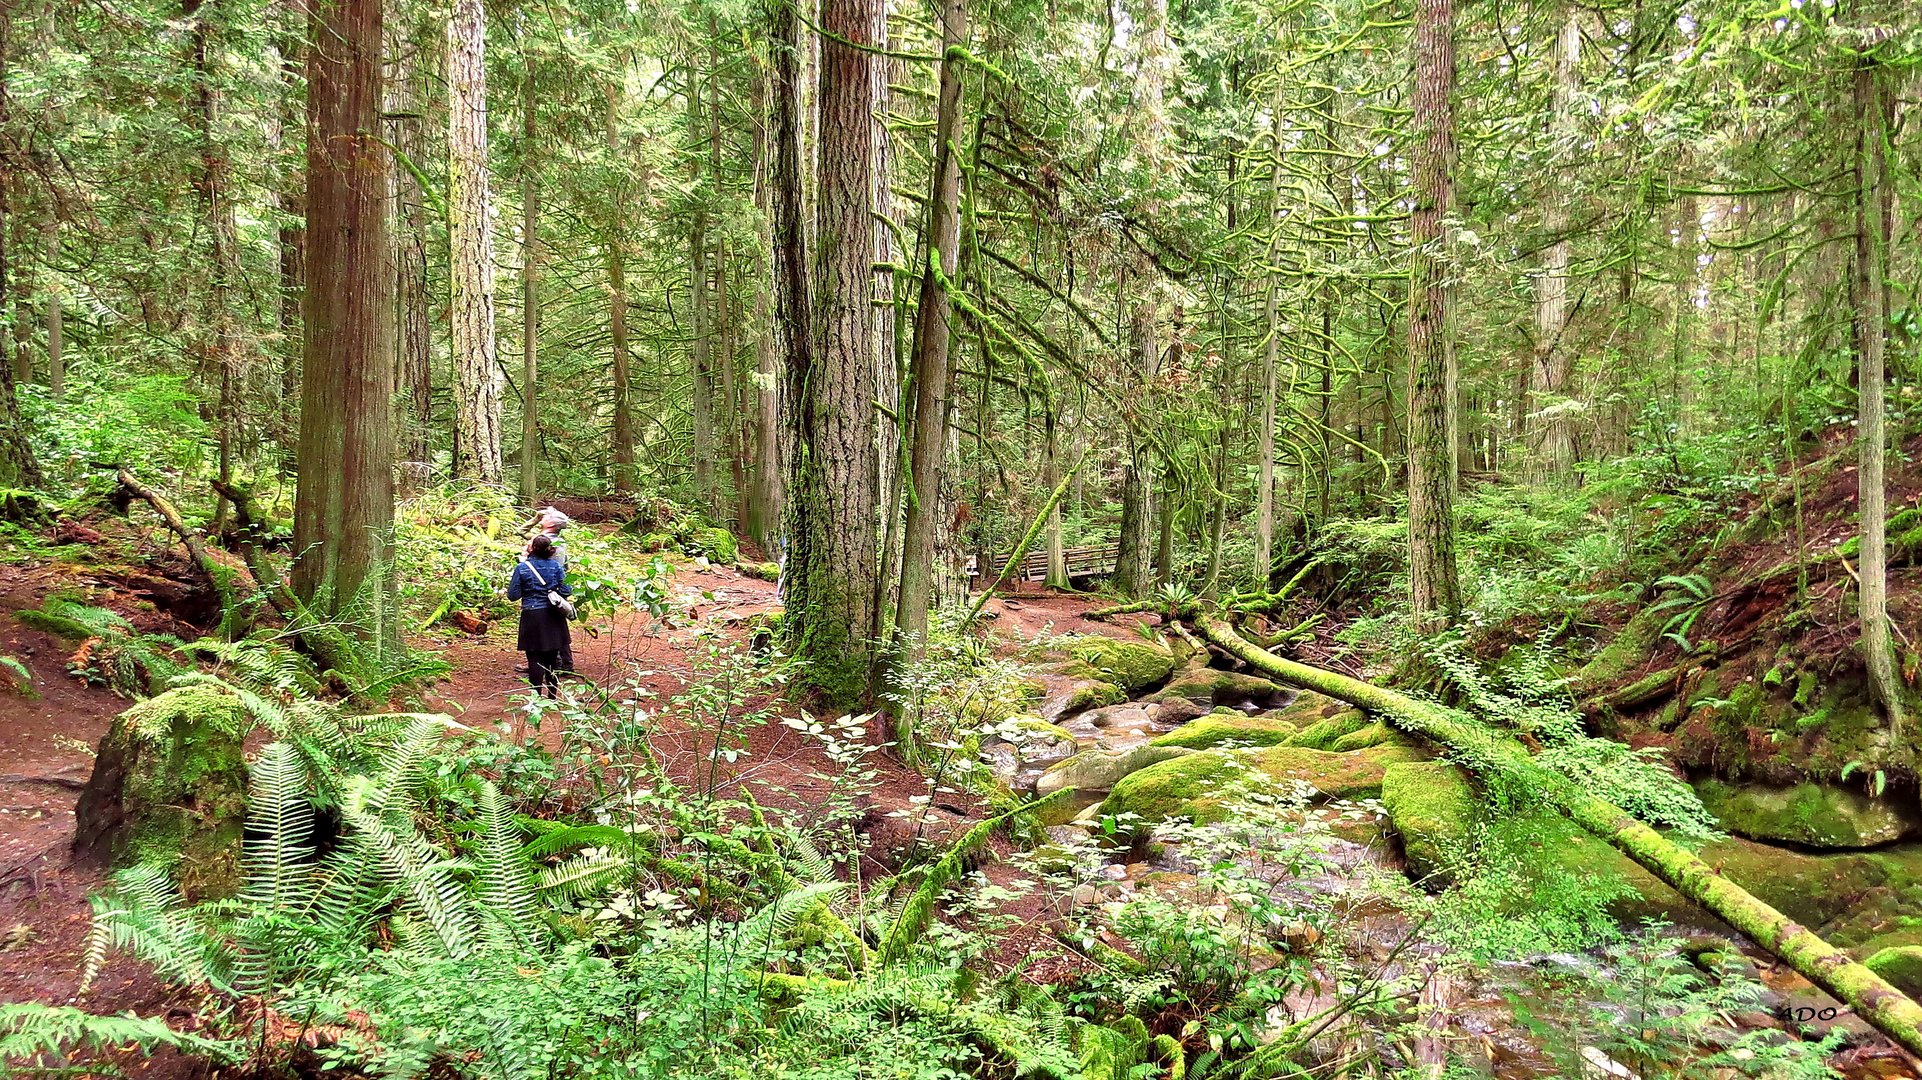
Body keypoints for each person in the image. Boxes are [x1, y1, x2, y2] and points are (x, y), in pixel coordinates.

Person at [507, 534, 572, 699]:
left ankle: (535, 698)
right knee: (552, 657)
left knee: (534, 658)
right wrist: (552, 592)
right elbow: (567, 590)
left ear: (532, 549)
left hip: (532, 615)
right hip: (553, 615)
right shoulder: (556, 567)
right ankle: (552, 697)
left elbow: (513, 595)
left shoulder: (522, 568)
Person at [521, 507, 575, 675]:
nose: (544, 517)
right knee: (555, 626)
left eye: (547, 517)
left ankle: (557, 665)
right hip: (548, 588)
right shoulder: (543, 539)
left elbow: (556, 568)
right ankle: (560, 664)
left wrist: (525, 560)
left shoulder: (555, 544)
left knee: (554, 627)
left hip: (549, 589)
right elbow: (521, 530)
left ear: (552, 524)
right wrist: (536, 518)